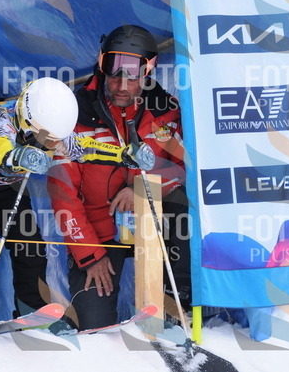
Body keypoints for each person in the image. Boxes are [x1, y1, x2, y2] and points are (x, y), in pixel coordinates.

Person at [0, 77, 153, 320]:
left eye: (55, 139)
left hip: (7, 187)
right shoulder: (3, 119)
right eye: (46, 139)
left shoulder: (52, 129)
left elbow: (85, 148)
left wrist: (123, 154)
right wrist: (18, 156)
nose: (52, 144)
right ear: (28, 120)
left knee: (29, 246)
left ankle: (31, 312)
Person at [47, 25, 190, 331]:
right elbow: (63, 194)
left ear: (148, 72)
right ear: (102, 65)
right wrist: (89, 256)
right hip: (98, 233)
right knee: (94, 326)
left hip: (151, 224)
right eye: (114, 75)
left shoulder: (165, 111)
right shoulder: (74, 115)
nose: (122, 86)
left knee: (182, 205)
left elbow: (180, 170)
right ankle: (81, 320)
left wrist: (141, 189)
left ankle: (178, 305)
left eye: (133, 77)